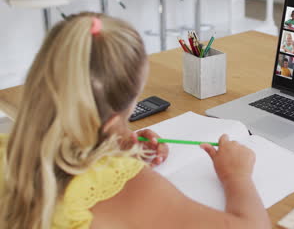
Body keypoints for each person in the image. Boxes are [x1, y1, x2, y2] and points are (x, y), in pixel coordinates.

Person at [0, 13, 271, 229]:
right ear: (117, 116)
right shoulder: (124, 187)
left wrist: (109, 150)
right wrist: (235, 175)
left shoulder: (6, 150)